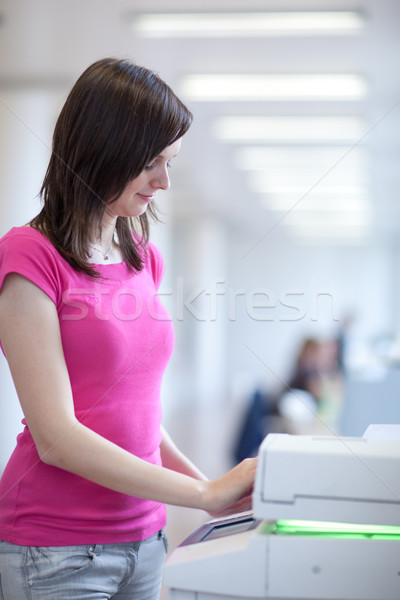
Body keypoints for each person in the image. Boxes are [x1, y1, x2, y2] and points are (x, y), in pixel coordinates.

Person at [0, 58, 257, 600]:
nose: (164, 182)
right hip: (56, 551)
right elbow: (57, 438)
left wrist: (212, 492)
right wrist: (204, 492)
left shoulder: (142, 258)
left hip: (146, 541)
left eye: (172, 162)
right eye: (152, 163)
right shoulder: (29, 258)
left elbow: (136, 413)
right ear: (103, 151)